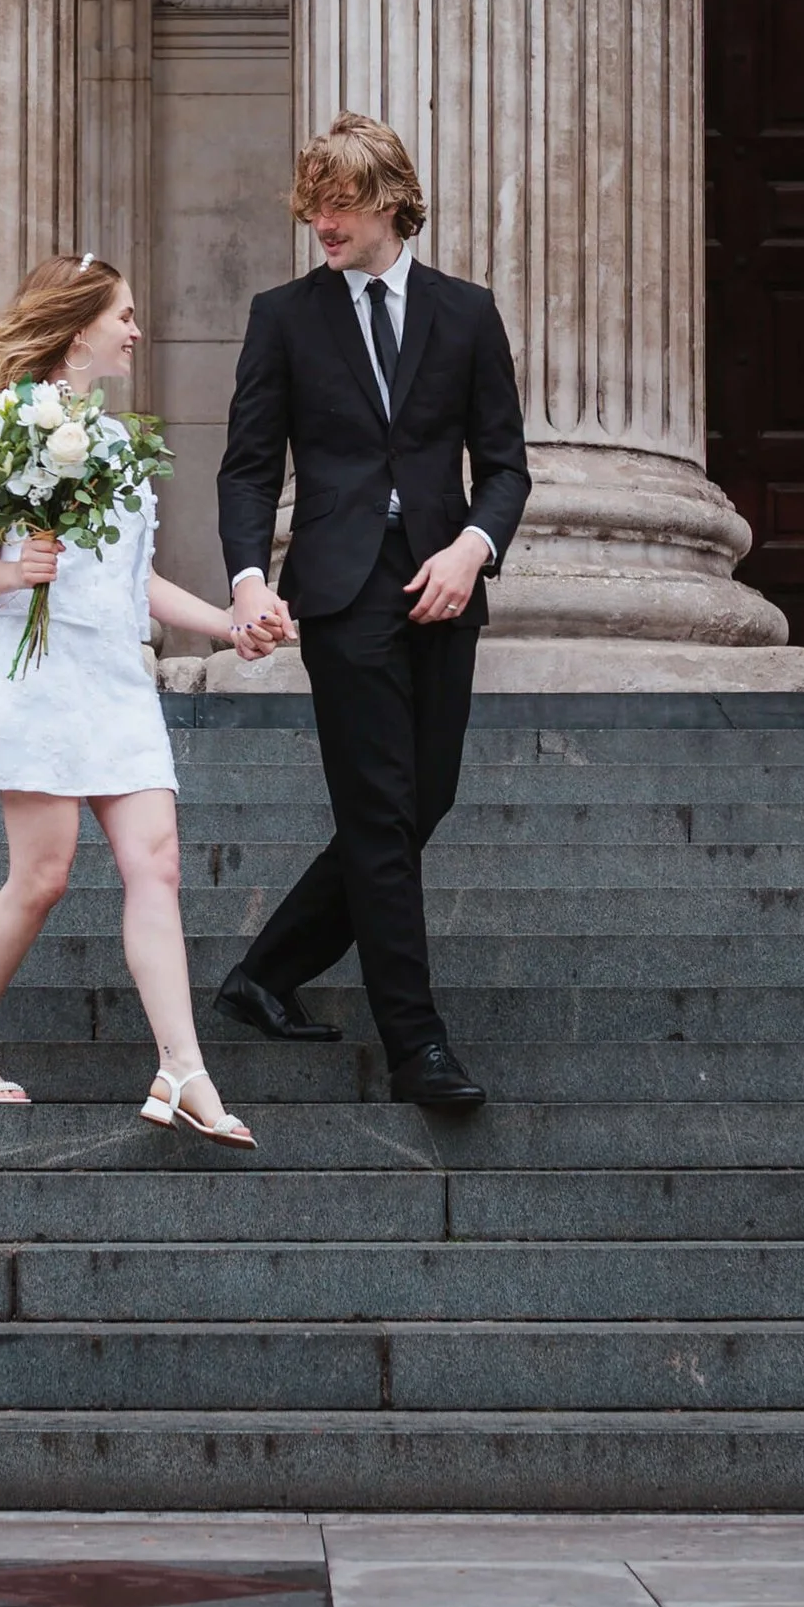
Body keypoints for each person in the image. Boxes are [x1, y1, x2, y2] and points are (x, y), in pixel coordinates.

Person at [213, 115, 530, 1111]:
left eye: (338, 200)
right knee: (381, 811)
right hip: (340, 590)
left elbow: (506, 465)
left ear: (391, 195)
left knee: (416, 802)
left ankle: (264, 970)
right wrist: (248, 578)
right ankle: (416, 1044)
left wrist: (472, 548)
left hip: (443, 583)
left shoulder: (467, 313)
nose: (321, 220)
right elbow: (249, 465)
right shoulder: (284, 315)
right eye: (311, 202)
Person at [0, 254, 263, 1143]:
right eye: (123, 314)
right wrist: (17, 568)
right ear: (77, 325)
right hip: (38, 676)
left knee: (154, 864)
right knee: (41, 877)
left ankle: (183, 1068)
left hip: (119, 678)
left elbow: (139, 581)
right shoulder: (4, 423)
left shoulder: (119, 445)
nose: (135, 328)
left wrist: (230, 625)